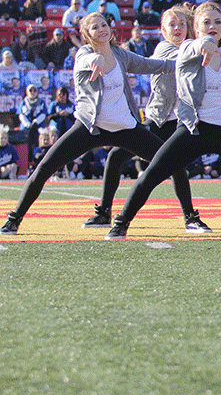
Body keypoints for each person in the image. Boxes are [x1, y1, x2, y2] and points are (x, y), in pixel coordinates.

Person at [102, 2, 221, 240]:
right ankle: (121, 223)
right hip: (194, 130)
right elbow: (199, 45)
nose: (213, 26)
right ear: (195, 27)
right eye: (206, 22)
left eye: (217, 22)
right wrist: (204, 42)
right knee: (152, 174)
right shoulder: (186, 48)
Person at [1, 13, 178, 235]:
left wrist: (183, 63)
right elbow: (86, 60)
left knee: (171, 161)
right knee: (44, 168)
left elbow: (153, 65)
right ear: (87, 34)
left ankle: (189, 217)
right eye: (95, 27)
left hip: (124, 127)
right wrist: (96, 60)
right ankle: (13, 219)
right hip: (89, 127)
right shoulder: (84, 54)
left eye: (104, 24)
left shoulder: (120, 55)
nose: (102, 29)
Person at [80, 5, 211, 232]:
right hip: (159, 120)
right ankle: (103, 212)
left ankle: (195, 217)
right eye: (172, 24)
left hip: (183, 122)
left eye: (182, 24)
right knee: (116, 157)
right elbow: (180, 61)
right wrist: (207, 46)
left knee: (177, 166)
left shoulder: (196, 49)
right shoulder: (165, 48)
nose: (178, 28)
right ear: (162, 30)